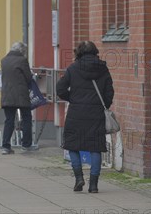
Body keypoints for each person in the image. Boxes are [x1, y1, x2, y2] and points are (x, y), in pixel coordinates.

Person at [56, 41, 114, 193]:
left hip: (76, 113)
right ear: (95, 51)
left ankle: (79, 178)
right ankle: (93, 185)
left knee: (72, 145)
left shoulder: (73, 68)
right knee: (95, 147)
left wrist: (72, 99)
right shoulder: (103, 68)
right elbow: (109, 92)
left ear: (79, 52)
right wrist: (103, 105)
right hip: (96, 114)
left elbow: (60, 89)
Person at [0, 42, 35, 155]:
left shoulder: (4, 60)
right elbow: (28, 78)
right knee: (27, 118)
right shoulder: (22, 60)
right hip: (21, 94)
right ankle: (26, 145)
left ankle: (5, 146)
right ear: (22, 51)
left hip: (7, 94)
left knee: (9, 120)